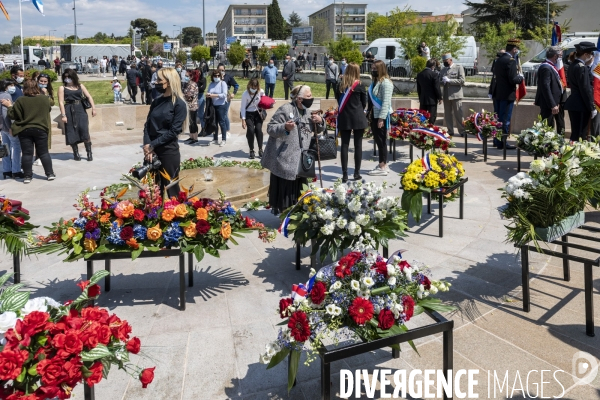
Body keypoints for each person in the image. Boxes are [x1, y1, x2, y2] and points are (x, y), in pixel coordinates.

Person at [262, 84, 324, 215]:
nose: (311, 98)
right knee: (286, 190)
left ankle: (297, 214)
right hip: (285, 158)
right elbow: (270, 128)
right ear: (299, 99)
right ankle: (285, 215)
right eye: (308, 96)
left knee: (300, 188)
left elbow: (317, 130)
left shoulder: (308, 112)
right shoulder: (285, 109)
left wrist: (320, 121)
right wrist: (285, 127)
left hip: (301, 160)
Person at [143, 67, 187, 198]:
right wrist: (147, 145)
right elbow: (147, 125)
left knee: (172, 190)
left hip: (168, 151)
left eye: (159, 80)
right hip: (152, 152)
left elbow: (174, 131)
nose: (156, 82)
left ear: (169, 81)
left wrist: (152, 145)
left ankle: (177, 217)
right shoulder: (157, 101)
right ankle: (155, 217)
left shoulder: (179, 104)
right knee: (153, 192)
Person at [0, 79, 54, 183]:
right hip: (41, 129)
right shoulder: (44, 99)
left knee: (27, 154)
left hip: (25, 130)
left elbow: (12, 115)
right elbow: (48, 109)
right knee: (43, 153)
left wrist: (10, 106)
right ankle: (50, 174)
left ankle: (27, 176)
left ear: (24, 88)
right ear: (36, 87)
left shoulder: (21, 100)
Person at [336, 62, 368, 182]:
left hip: (345, 117)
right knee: (358, 145)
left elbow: (339, 102)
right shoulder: (360, 85)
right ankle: (356, 173)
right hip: (358, 117)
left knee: (344, 145)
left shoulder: (340, 85)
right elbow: (364, 103)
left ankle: (344, 174)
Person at [491, 39, 524, 149]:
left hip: (498, 93)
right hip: (507, 94)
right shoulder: (511, 61)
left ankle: (496, 140)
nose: (517, 51)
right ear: (514, 49)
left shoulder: (499, 60)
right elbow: (513, 79)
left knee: (497, 119)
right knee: (505, 120)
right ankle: (503, 142)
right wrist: (520, 78)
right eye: (517, 49)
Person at [58, 69, 97, 161]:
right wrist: (63, 115)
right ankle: (75, 153)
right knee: (71, 131)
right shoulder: (62, 88)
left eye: (69, 77)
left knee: (84, 130)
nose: (67, 79)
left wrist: (93, 108)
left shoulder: (80, 86)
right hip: (69, 109)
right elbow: (60, 102)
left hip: (80, 108)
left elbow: (89, 96)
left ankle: (89, 153)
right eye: (65, 77)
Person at [564, 41, 598, 142]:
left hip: (575, 103)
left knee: (576, 134)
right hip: (581, 105)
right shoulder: (581, 68)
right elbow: (585, 89)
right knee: (580, 135)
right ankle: (576, 156)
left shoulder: (573, 65)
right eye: (591, 54)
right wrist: (591, 107)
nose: (591, 56)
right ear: (585, 54)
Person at [367, 60, 393, 176]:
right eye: (372, 68)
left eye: (375, 69)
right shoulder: (376, 82)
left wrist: (381, 118)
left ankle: (382, 166)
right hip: (374, 115)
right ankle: (382, 164)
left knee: (381, 141)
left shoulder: (386, 83)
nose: (373, 71)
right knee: (378, 140)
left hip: (381, 117)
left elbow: (386, 102)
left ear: (381, 69)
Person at [534, 46, 567, 135]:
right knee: (548, 126)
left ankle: (560, 144)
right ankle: (548, 147)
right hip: (549, 104)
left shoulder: (552, 66)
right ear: (555, 56)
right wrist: (552, 104)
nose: (560, 58)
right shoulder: (546, 67)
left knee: (560, 124)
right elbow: (546, 87)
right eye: (560, 56)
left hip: (557, 102)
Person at [439, 53, 466, 137]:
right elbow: (439, 82)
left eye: (446, 60)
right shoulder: (443, 70)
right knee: (447, 115)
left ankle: (462, 131)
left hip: (456, 95)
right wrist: (442, 82)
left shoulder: (458, 67)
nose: (444, 62)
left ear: (450, 59)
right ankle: (450, 131)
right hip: (447, 95)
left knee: (459, 114)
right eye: (443, 61)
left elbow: (462, 81)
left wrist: (450, 80)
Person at [0, 79, 22, 179]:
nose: (13, 87)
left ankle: (6, 170)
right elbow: (5, 113)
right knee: (16, 148)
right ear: (6, 86)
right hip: (7, 127)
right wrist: (10, 127)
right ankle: (16, 170)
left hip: (2, 128)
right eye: (11, 85)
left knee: (5, 148)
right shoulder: (6, 96)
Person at [240, 78, 264, 159]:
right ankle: (251, 150)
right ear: (249, 86)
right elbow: (242, 108)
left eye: (255, 88)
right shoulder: (245, 94)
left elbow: (264, 100)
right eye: (252, 88)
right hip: (248, 114)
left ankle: (260, 149)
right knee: (250, 130)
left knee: (258, 130)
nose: (253, 89)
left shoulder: (261, 92)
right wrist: (243, 120)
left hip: (258, 113)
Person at [206, 69, 229, 146]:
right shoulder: (211, 84)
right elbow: (209, 92)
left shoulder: (223, 83)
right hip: (213, 105)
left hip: (221, 105)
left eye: (218, 75)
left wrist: (214, 95)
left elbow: (224, 95)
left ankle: (223, 139)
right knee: (214, 122)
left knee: (221, 122)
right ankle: (215, 138)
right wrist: (208, 95)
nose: (216, 77)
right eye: (215, 76)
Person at [417, 59, 442, 124]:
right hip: (432, 100)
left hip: (423, 99)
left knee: (422, 116)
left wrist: (420, 97)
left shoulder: (420, 74)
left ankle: (422, 130)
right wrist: (440, 97)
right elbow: (437, 87)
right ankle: (430, 129)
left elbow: (418, 88)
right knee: (432, 116)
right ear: (433, 66)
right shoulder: (434, 74)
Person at [217, 63, 238, 137]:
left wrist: (233, 93)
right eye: (219, 70)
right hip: (218, 98)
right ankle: (223, 131)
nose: (221, 71)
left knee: (224, 114)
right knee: (220, 115)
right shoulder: (216, 77)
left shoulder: (228, 77)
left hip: (227, 98)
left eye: (222, 70)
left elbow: (236, 85)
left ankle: (227, 130)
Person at [182, 69, 199, 145]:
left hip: (192, 106)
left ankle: (195, 138)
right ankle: (191, 136)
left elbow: (190, 96)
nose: (185, 77)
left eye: (187, 76)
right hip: (188, 106)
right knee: (190, 122)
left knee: (193, 122)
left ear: (191, 76)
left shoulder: (192, 84)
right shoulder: (187, 84)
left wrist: (182, 95)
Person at [196, 67, 207, 136]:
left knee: (201, 114)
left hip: (200, 96)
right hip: (194, 96)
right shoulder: (193, 79)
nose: (198, 73)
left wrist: (196, 87)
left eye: (199, 71)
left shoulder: (203, 79)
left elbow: (203, 88)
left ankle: (203, 129)